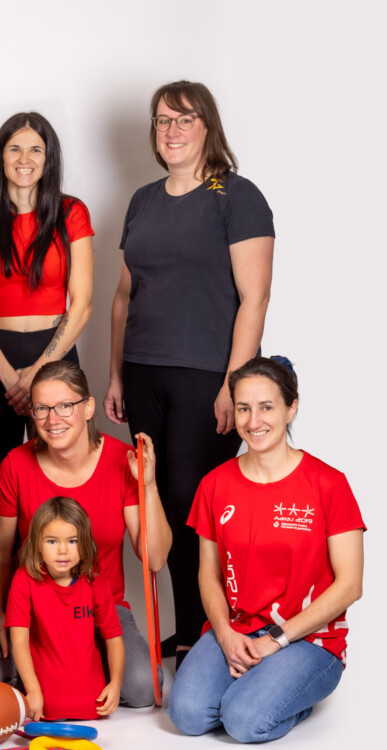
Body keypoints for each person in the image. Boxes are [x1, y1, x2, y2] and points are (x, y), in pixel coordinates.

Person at [104, 81, 275, 664]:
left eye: (184, 119)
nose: (171, 130)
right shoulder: (143, 200)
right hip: (143, 370)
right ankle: (186, 634)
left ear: (207, 127)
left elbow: (254, 298)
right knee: (158, 503)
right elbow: (123, 296)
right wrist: (116, 375)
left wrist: (234, 384)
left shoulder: (235, 195)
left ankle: (210, 632)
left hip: (207, 375)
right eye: (162, 121)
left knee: (194, 502)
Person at [168, 357, 364, 743]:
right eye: (243, 408)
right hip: (238, 628)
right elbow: (208, 574)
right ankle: (260, 685)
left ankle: (290, 694)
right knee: (186, 714)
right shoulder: (215, 484)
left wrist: (275, 640)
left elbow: (350, 585)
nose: (254, 421)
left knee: (243, 721)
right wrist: (225, 634)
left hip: (309, 637)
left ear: (291, 408)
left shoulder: (329, 483)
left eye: (267, 407)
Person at [0, 361, 169, 707]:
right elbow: (0, 550)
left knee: (142, 688)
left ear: (88, 408)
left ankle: (76, 669)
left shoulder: (122, 460)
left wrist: (148, 486)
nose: (52, 420)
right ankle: (52, 672)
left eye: (64, 406)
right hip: (32, 607)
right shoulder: (15, 464)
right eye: (41, 409)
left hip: (99, 607)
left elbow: (156, 558)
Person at [0, 112, 95, 497]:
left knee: (59, 485)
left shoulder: (72, 212)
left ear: (49, 158)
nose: (25, 158)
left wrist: (38, 372)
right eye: (14, 148)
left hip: (55, 350)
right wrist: (8, 377)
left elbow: (82, 304)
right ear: (0, 156)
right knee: (1, 487)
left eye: (36, 149)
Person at [8, 497, 124, 721]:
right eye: (52, 541)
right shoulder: (24, 580)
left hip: (91, 700)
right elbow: (19, 642)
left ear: (85, 543)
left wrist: (116, 684)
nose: (63, 550)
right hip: (45, 700)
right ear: (37, 543)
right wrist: (33, 691)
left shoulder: (96, 580)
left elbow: (113, 638)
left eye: (73, 541)